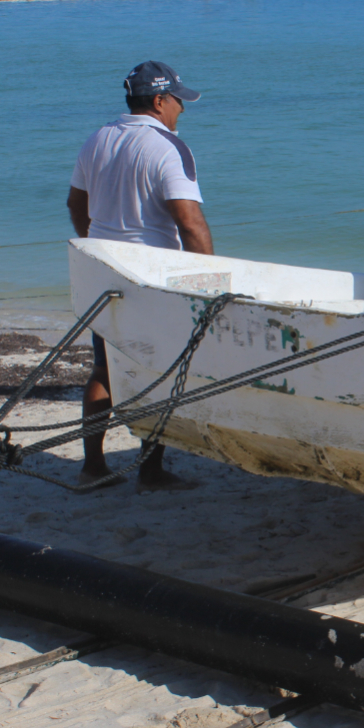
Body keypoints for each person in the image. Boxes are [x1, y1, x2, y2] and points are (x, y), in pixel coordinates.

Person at [67, 61, 214, 490]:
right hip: (152, 276)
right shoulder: (167, 147)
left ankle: (92, 466)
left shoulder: (99, 138)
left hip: (105, 271)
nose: (181, 111)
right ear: (158, 101)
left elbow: (76, 205)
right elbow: (190, 222)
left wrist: (95, 243)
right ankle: (151, 471)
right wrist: (209, 283)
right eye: (178, 102)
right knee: (159, 370)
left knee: (104, 369)